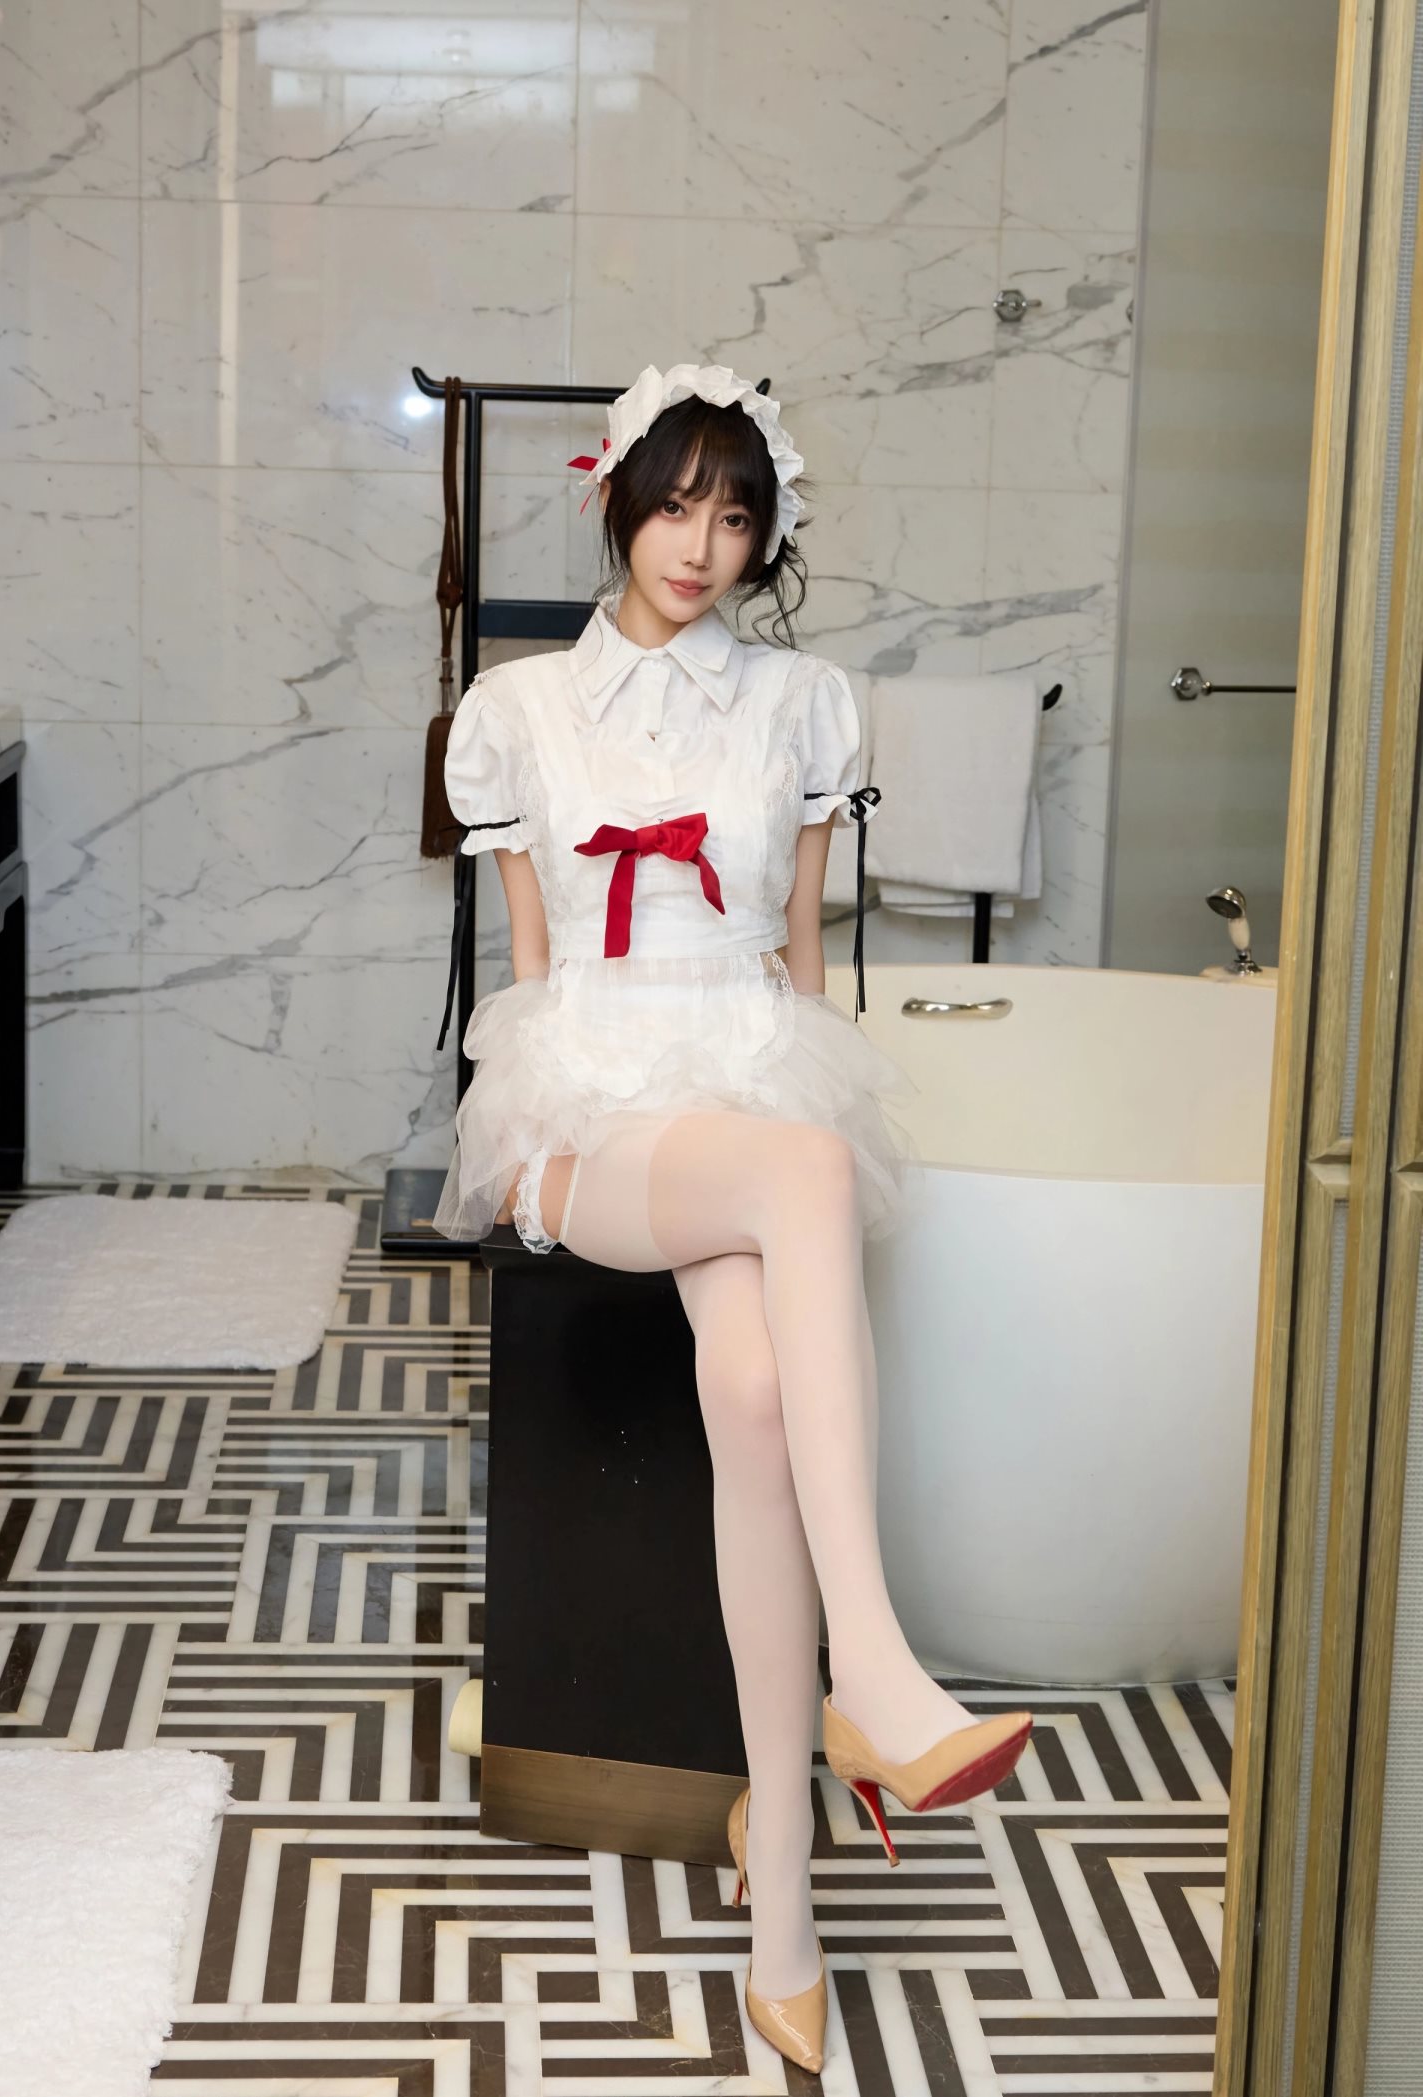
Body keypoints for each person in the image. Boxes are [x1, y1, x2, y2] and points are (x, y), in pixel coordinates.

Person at [432, 362, 1033, 2074]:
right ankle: (878, 1670)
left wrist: (794, 1100)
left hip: (747, 1082)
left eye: (737, 514)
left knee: (759, 1387)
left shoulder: (805, 705)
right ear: (617, 500)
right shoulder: (519, 707)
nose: (702, 544)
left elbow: (799, 968)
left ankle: (785, 1888)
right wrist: (534, 1127)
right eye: (677, 504)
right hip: (589, 1117)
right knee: (801, 1173)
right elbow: (527, 974)